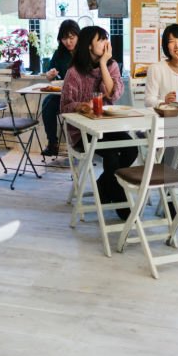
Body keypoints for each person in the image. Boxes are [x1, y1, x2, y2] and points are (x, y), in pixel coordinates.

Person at [60, 26, 136, 218]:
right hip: (82, 132)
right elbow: (65, 107)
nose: (106, 43)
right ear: (88, 45)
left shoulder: (112, 66)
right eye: (101, 40)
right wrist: (80, 106)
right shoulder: (74, 73)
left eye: (106, 39)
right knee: (111, 156)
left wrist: (103, 64)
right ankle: (119, 197)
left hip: (107, 126)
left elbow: (114, 95)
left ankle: (104, 185)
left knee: (132, 148)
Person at [40, 19, 80, 157]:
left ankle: (82, 145)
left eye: (71, 38)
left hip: (82, 95)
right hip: (64, 95)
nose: (68, 42)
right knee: (47, 104)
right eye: (64, 38)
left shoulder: (86, 52)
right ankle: (52, 143)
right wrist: (50, 75)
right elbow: (50, 74)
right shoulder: (59, 53)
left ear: (78, 36)